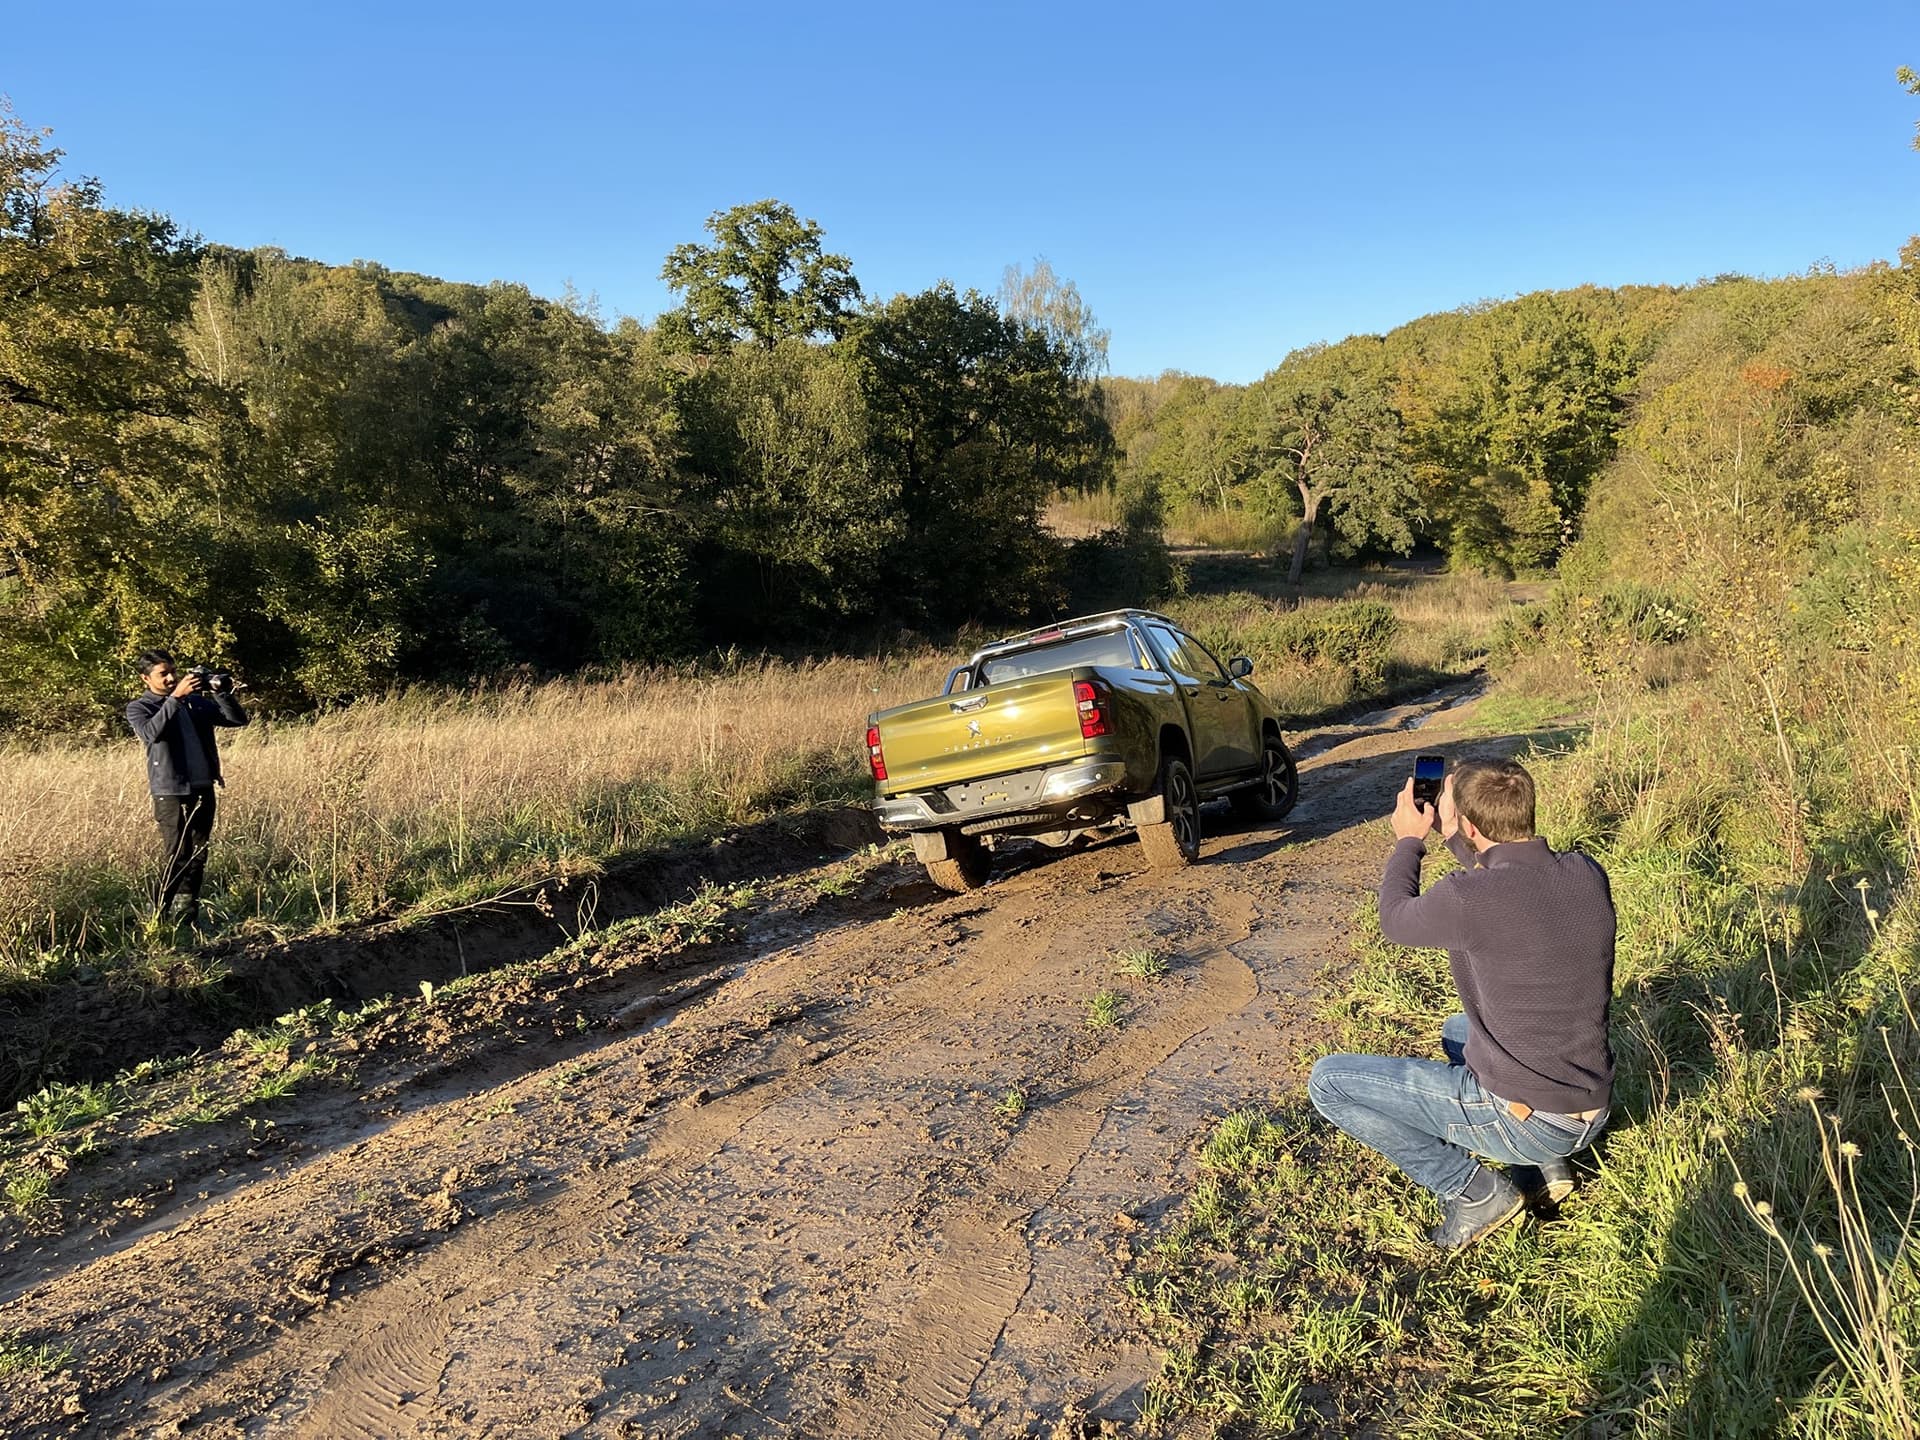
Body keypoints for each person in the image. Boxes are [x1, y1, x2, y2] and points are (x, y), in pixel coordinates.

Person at [1307, 758, 1616, 1249]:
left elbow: (1395, 917)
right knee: (1457, 1029)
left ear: (1470, 824)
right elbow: (1503, 882)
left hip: (1529, 1119)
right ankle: (1546, 1168)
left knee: (1329, 1082)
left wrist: (1410, 840)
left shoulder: (1466, 896)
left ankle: (1474, 1192)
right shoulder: (1584, 872)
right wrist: (1458, 835)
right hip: (1589, 1105)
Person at [125, 649, 249, 929]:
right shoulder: (141, 707)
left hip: (203, 785)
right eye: (163, 674)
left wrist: (221, 692)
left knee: (198, 853)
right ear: (146, 678)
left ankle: (186, 913)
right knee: (178, 854)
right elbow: (150, 733)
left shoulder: (194, 702)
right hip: (170, 789)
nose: (171, 678)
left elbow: (238, 720)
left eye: (173, 671)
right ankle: (156, 913)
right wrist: (175, 698)